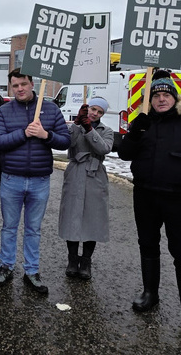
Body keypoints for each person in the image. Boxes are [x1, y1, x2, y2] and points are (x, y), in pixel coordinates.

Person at [118, 70, 181, 342]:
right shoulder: (144, 122)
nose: (161, 99)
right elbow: (124, 153)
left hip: (178, 199)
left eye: (166, 95)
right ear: (150, 99)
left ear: (175, 98)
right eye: (156, 95)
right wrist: (135, 131)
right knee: (147, 244)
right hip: (145, 195)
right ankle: (150, 294)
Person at [0, 69, 70, 293]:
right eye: (15, 85)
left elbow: (65, 141)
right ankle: (6, 266)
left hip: (39, 180)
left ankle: (32, 271)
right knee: (9, 227)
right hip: (11, 179)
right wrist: (23, 133)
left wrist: (46, 135)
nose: (20, 89)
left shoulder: (51, 109)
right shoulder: (4, 111)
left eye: (23, 84)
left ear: (32, 84)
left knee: (33, 229)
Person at [58, 97, 114, 281]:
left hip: (95, 174)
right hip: (75, 172)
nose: (95, 113)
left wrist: (89, 129)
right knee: (72, 216)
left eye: (99, 111)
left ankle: (86, 262)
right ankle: (72, 260)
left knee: (93, 218)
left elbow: (103, 148)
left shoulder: (106, 131)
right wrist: (77, 124)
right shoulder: (75, 126)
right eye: (93, 109)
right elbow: (69, 143)